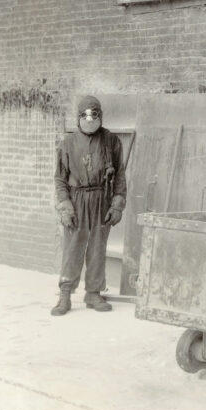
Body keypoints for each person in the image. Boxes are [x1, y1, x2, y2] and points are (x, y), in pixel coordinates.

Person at [51, 95, 127, 315]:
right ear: (79, 118)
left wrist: (117, 204)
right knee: (73, 248)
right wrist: (65, 207)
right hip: (77, 200)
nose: (90, 119)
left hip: (102, 200)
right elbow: (60, 179)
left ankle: (93, 293)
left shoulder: (111, 141)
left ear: (100, 116)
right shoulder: (68, 144)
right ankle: (65, 294)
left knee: (97, 248)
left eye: (95, 115)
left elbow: (120, 175)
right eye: (86, 116)